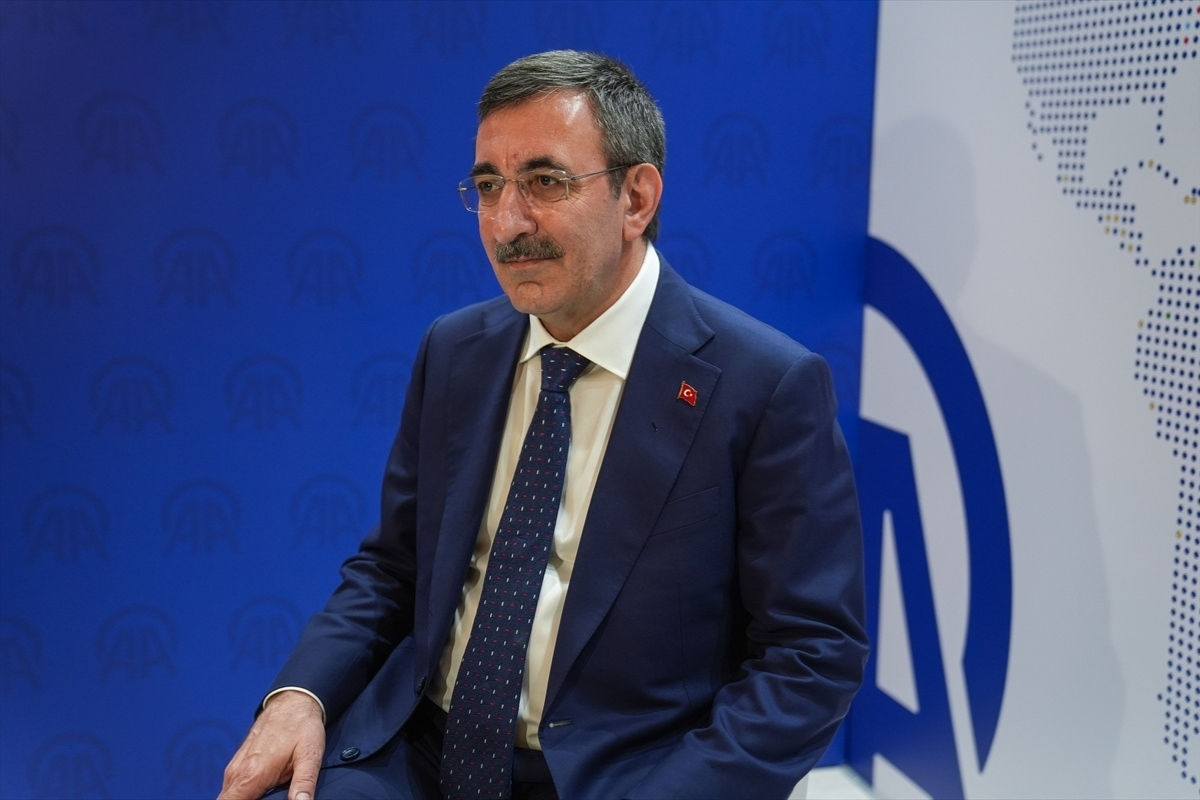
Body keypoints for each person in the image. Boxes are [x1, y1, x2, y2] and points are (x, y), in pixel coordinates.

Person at [220, 50, 867, 800]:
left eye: (545, 182)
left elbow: (812, 655)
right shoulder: (455, 350)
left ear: (636, 199)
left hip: (627, 775)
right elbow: (392, 570)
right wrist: (299, 696)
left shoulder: (764, 385)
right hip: (421, 754)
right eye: (488, 187)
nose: (507, 223)